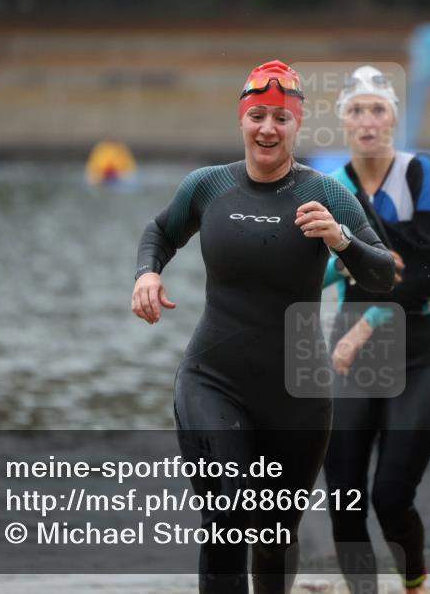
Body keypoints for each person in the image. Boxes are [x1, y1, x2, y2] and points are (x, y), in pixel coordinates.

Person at [131, 60, 396, 594]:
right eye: (257, 116)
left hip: (298, 389)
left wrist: (340, 237)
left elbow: (384, 273)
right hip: (213, 378)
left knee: (275, 533)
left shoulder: (326, 194)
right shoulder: (208, 187)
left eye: (280, 117)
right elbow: (160, 231)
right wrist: (147, 274)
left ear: (298, 125)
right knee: (227, 521)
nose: (268, 128)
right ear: (242, 120)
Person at [322, 66, 430, 593]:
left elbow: (428, 272)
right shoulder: (329, 187)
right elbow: (313, 271)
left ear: (394, 119)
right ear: (344, 124)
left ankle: (415, 582)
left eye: (377, 109)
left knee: (391, 496)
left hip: (418, 353)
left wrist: (368, 315)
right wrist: (345, 266)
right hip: (350, 360)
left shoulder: (421, 173)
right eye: (356, 110)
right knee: (345, 499)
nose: (367, 120)